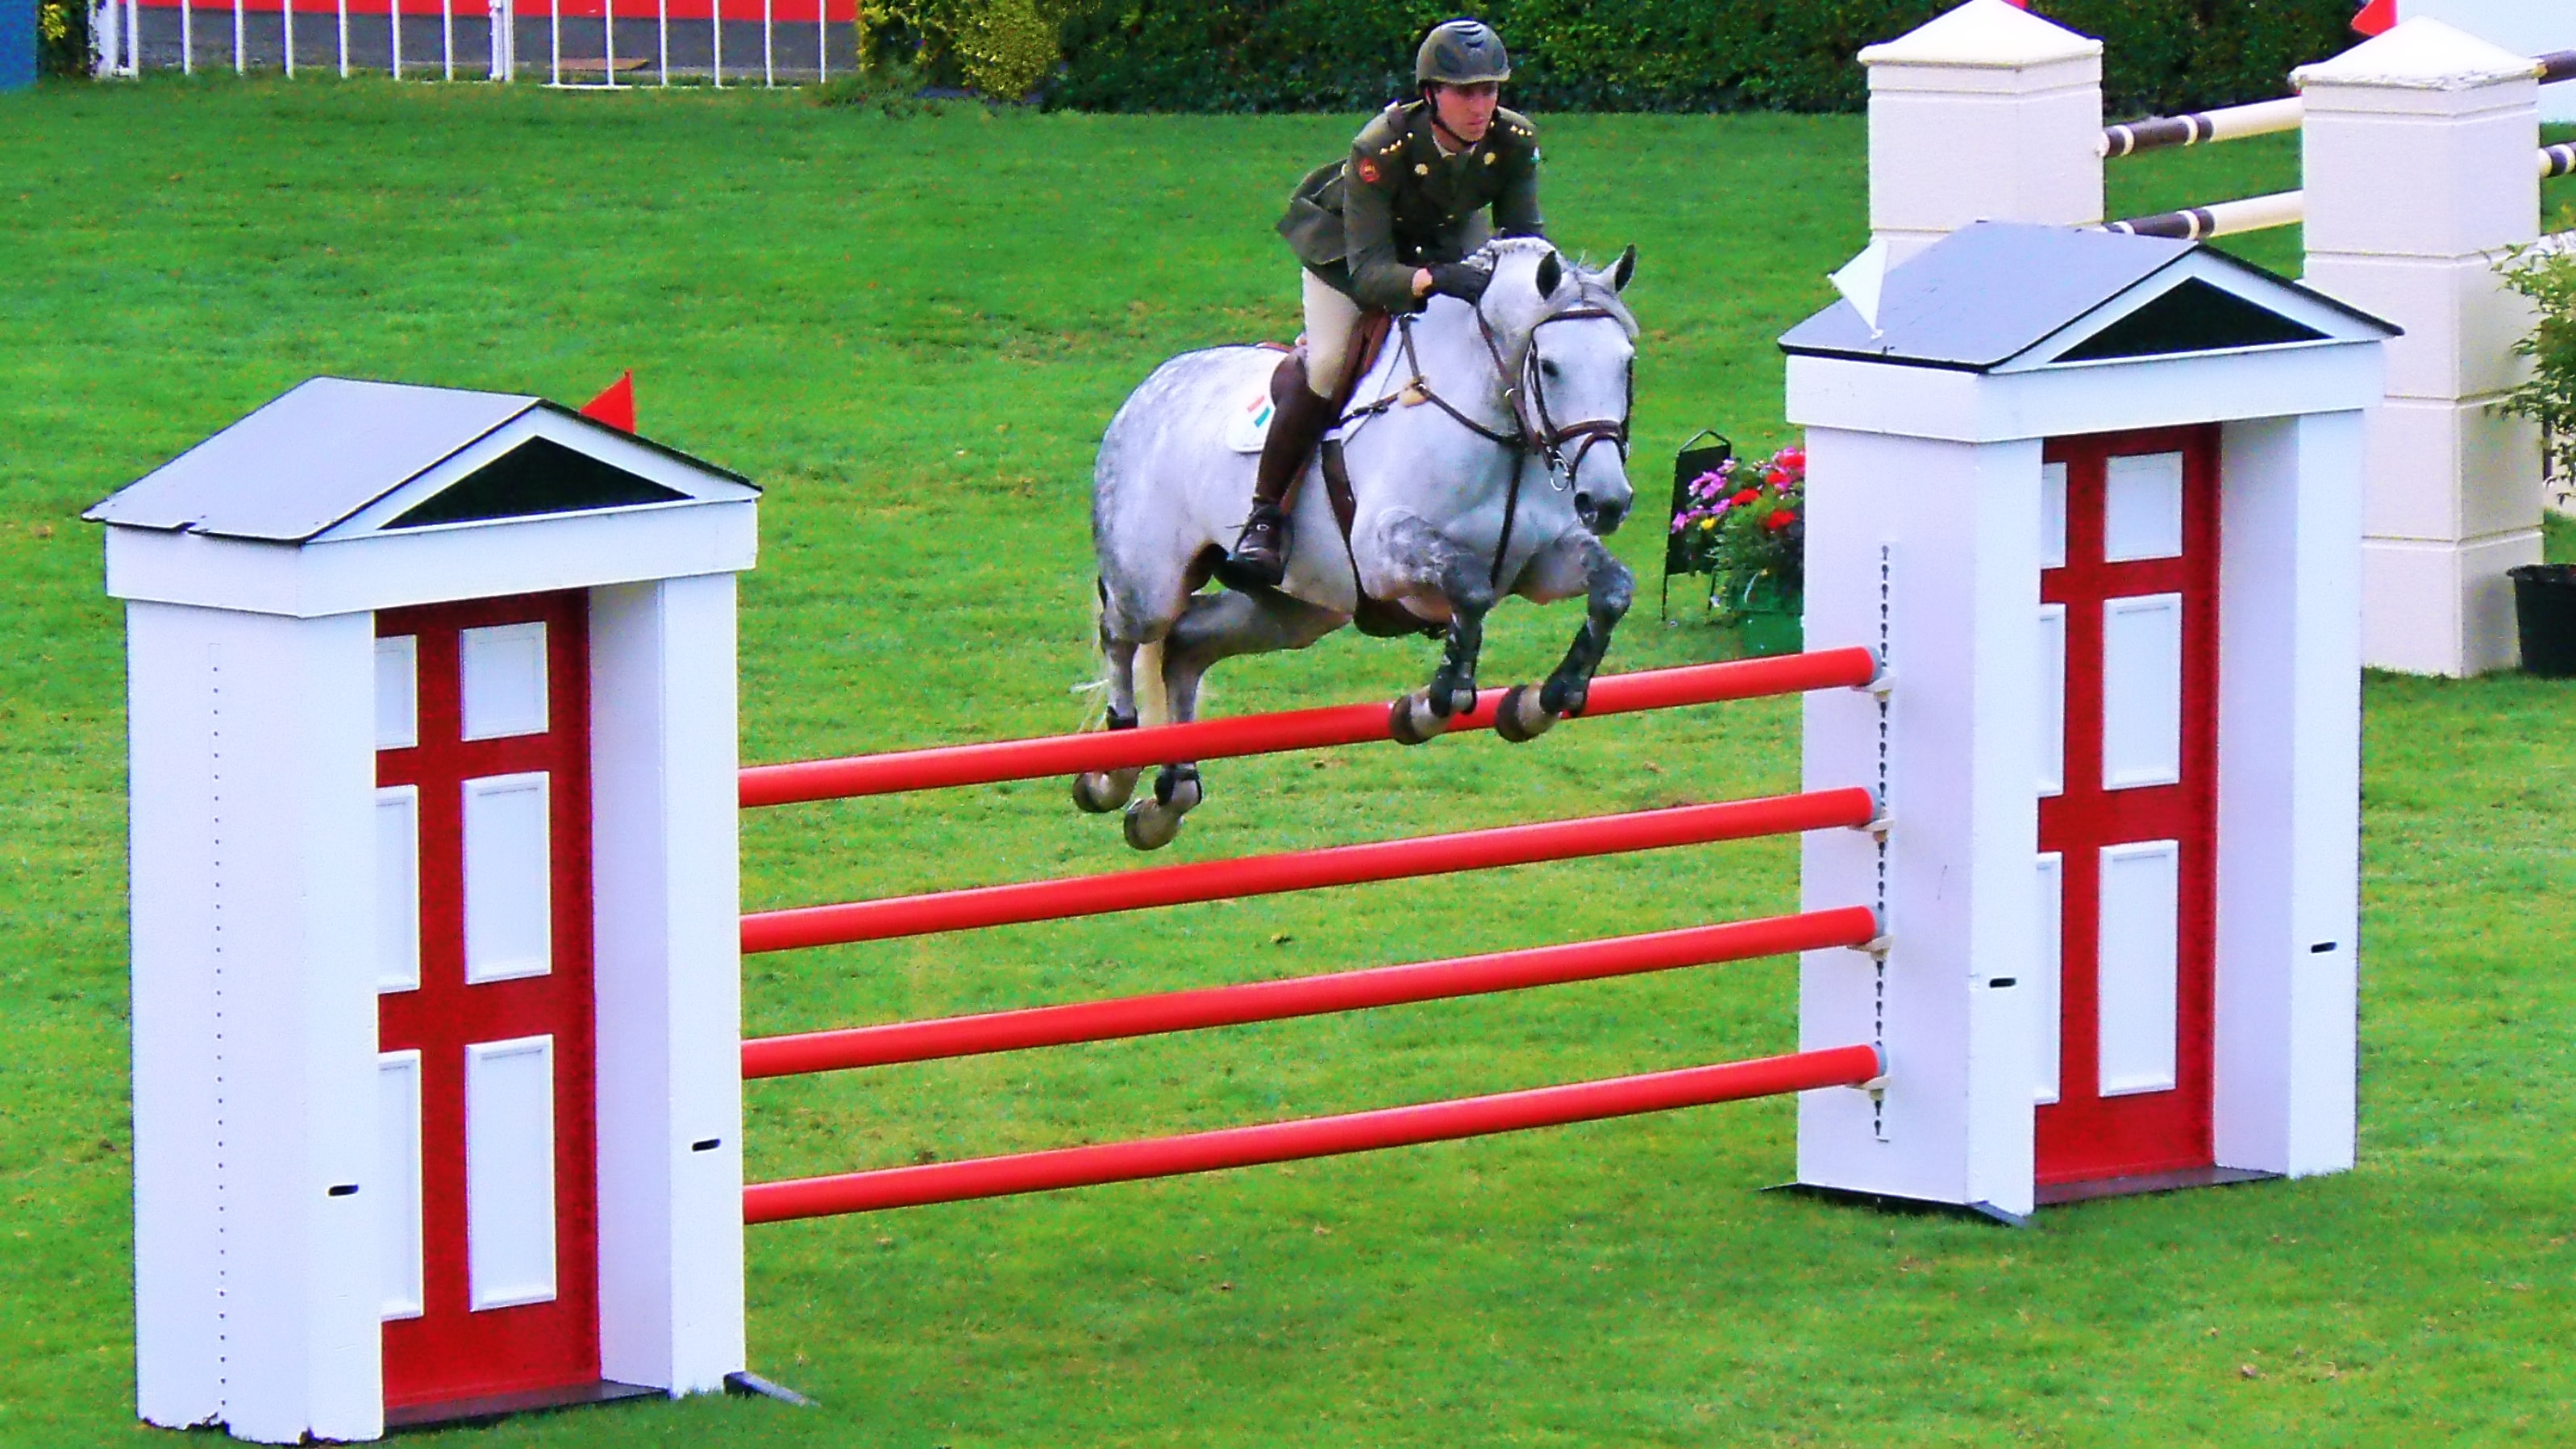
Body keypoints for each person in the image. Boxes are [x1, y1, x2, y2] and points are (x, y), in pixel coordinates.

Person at [1216, 17, 1549, 591]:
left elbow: (1526, 238)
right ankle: (1264, 517)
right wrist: (1435, 280)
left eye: (1489, 89)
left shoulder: (1513, 141)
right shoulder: (1381, 146)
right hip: (1349, 258)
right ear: (1430, 94)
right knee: (1326, 364)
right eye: (1464, 92)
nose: (1479, 105)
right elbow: (1372, 273)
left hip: (1445, 246)